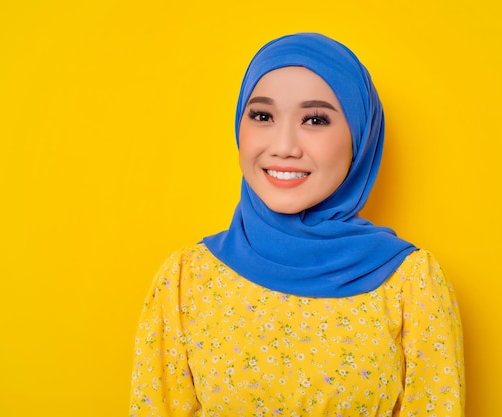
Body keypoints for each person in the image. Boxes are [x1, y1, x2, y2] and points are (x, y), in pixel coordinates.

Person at [129, 33, 464, 416]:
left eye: (315, 119)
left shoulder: (412, 284)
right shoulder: (185, 280)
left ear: (360, 135)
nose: (284, 145)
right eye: (262, 116)